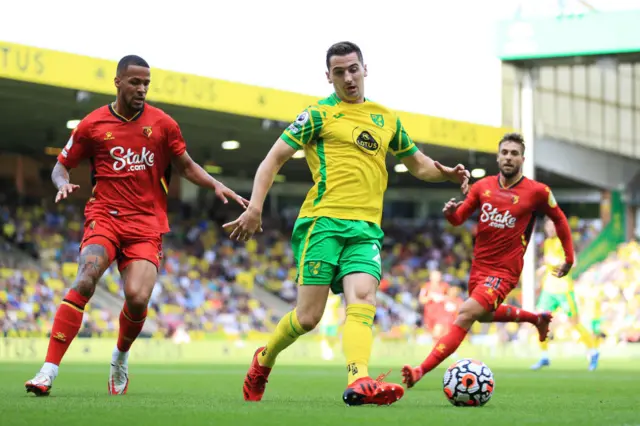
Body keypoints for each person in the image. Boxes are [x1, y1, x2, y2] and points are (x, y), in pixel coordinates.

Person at [223, 41, 470, 406]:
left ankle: (359, 379)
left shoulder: (385, 117)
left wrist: (446, 174)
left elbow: (418, 163)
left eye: (353, 69)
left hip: (366, 230)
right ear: (329, 77)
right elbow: (272, 159)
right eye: (339, 72)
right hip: (323, 223)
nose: (348, 77)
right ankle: (263, 360)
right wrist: (255, 207)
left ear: (365, 69)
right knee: (308, 317)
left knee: (363, 298)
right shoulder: (318, 115)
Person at [25, 55, 247, 396]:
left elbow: (186, 166)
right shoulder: (92, 124)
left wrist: (213, 183)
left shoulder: (163, 125)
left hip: (146, 224)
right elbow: (61, 165)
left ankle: (120, 357)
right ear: (118, 82)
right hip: (105, 217)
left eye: (146, 83)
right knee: (85, 279)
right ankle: (47, 370)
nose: (142, 89)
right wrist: (61, 184)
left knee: (138, 297)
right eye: (135, 82)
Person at [401, 132, 575, 388]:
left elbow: (559, 219)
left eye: (514, 153)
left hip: (506, 270)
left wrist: (569, 257)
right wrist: (450, 213)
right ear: (498, 157)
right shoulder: (482, 187)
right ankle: (536, 319)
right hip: (479, 267)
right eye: (505, 152)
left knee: (466, 313)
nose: (508, 157)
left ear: (522, 159)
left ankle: (420, 370)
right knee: (482, 315)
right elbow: (459, 218)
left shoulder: (537, 192)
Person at [531, 218, 599, 371]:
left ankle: (593, 351)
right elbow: (549, 263)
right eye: (547, 227)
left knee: (574, 323)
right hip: (549, 289)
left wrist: (553, 261)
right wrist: (543, 269)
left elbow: (572, 263)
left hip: (563, 289)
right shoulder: (548, 243)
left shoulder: (564, 241)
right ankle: (544, 356)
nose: (549, 229)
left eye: (552, 226)